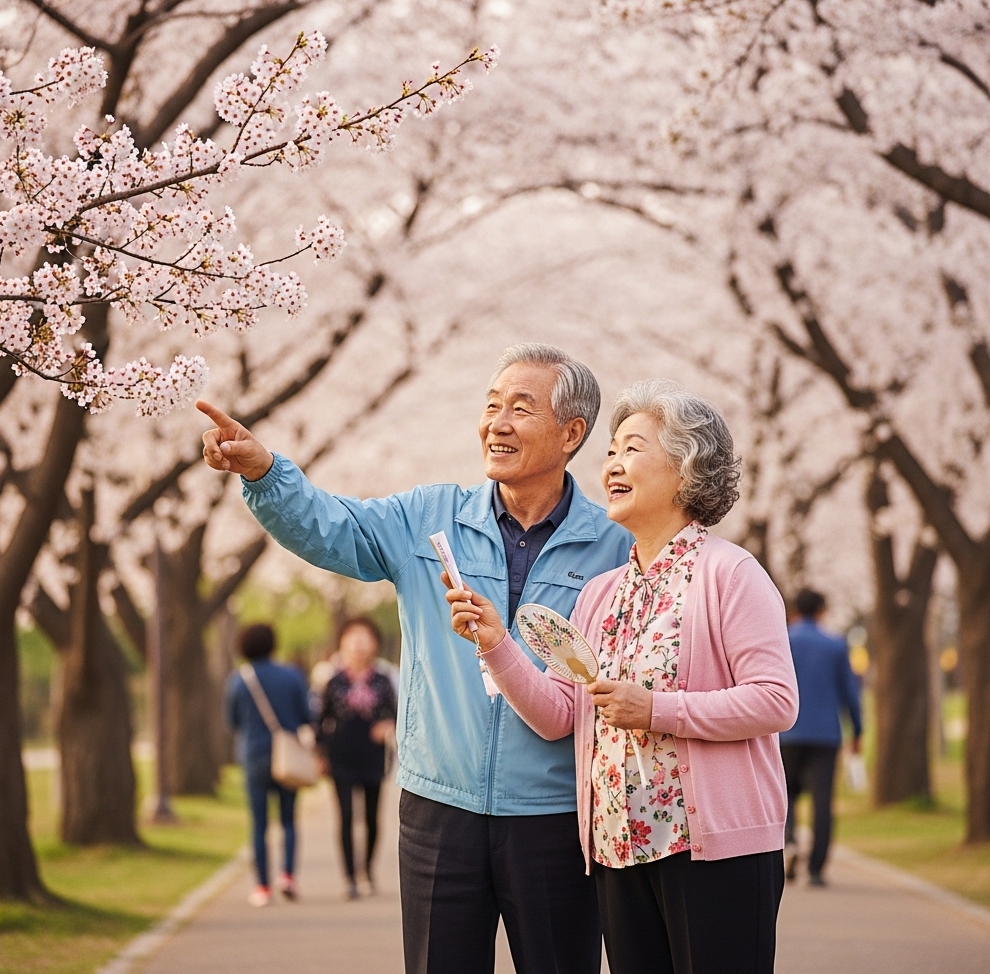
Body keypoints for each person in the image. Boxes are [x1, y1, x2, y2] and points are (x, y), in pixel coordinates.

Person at [199, 343, 633, 974]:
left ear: (572, 433)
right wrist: (266, 471)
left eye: (520, 408)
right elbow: (333, 528)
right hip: (439, 809)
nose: (497, 423)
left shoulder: (614, 544)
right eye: (491, 406)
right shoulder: (430, 517)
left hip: (558, 817)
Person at [447, 379, 799, 974]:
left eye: (632, 449)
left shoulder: (731, 574)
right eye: (611, 451)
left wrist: (658, 710)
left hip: (713, 854)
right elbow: (562, 714)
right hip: (617, 846)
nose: (612, 463)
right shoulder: (600, 593)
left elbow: (775, 702)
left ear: (686, 470)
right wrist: (498, 645)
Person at [225, 622, 312, 907]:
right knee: (288, 820)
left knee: (259, 824)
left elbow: (232, 722)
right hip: (287, 757)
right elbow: (305, 716)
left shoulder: (239, 679)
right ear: (273, 644)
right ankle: (288, 876)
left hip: (254, 757)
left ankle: (262, 887)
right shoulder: (292, 676)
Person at [780, 587, 862, 887]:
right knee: (822, 802)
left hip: (785, 733)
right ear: (821, 611)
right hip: (826, 734)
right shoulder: (835, 645)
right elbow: (849, 692)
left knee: (784, 795)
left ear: (794, 611)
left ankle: (787, 842)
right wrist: (858, 730)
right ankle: (816, 868)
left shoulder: (783, 640)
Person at [317, 616, 397, 899]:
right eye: (352, 638)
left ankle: (368, 871)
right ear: (342, 644)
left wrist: (388, 725)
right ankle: (350, 877)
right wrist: (319, 754)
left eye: (365, 638)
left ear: (375, 644)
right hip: (341, 757)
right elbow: (321, 719)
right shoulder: (334, 681)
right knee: (347, 817)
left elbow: (396, 714)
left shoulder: (384, 680)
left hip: (373, 757)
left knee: (373, 819)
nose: (358, 644)